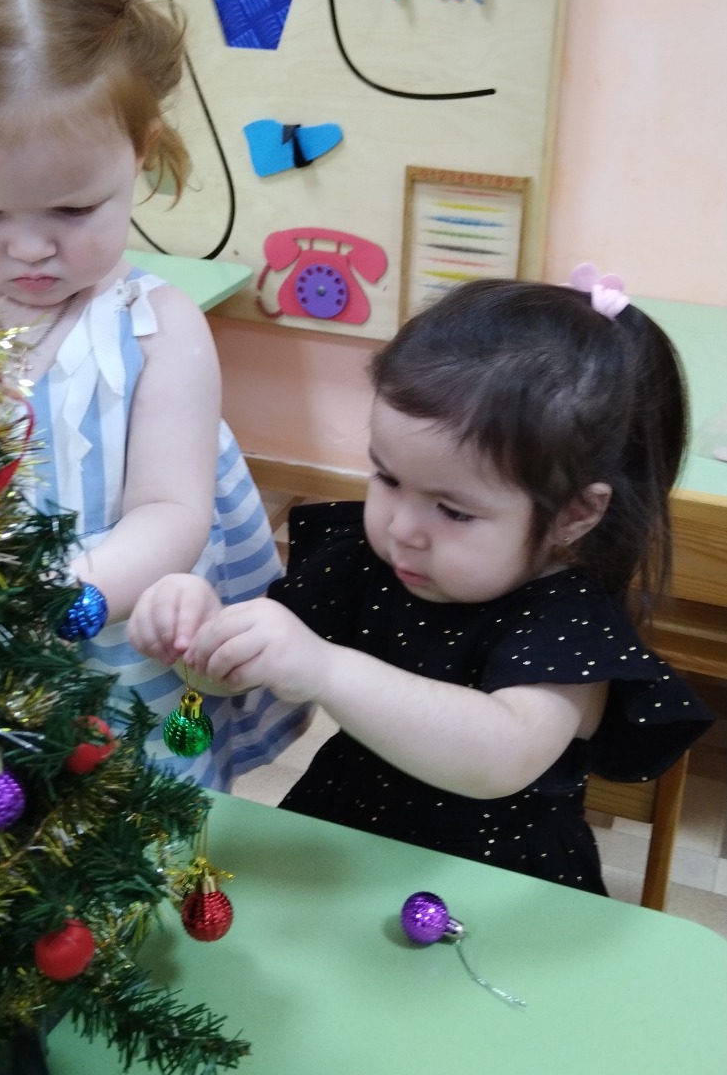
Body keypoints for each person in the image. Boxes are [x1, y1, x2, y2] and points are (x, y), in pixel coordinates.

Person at [0, 0, 308, 789]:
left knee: (119, 822)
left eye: (73, 209)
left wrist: (56, 598)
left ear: (141, 152)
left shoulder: (157, 330)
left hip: (112, 656)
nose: (31, 248)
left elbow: (171, 512)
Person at [130, 276, 713, 892]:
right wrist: (199, 631)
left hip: (496, 881)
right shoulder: (367, 561)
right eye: (387, 478)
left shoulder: (568, 619)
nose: (402, 528)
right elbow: (242, 674)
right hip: (343, 844)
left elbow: (502, 754)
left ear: (575, 514)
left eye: (453, 511)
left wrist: (324, 667)